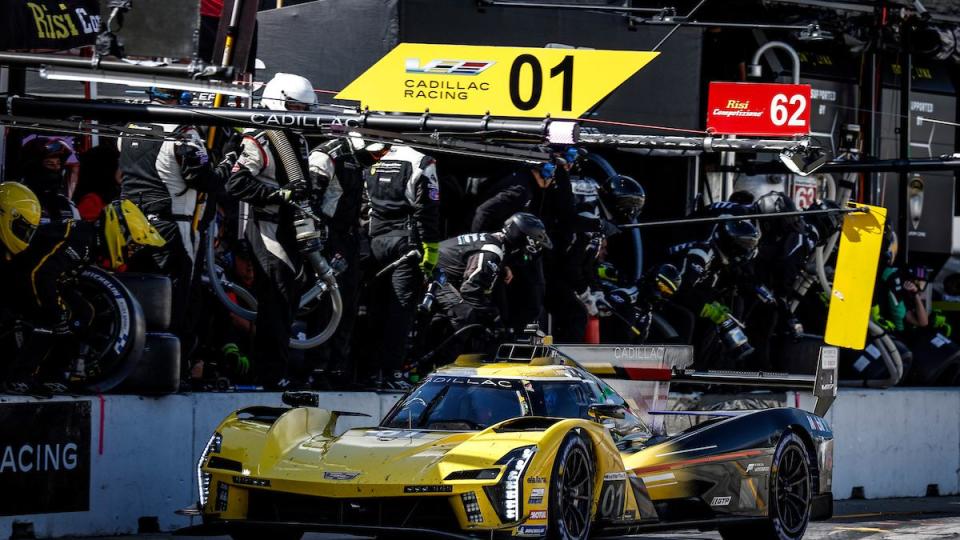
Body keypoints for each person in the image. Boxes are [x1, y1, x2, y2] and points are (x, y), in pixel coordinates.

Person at [118, 86, 240, 345]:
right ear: (180, 99)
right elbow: (210, 181)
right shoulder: (184, 135)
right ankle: (174, 359)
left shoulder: (128, 128)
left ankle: (134, 353)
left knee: (137, 292)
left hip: (129, 223)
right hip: (174, 226)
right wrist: (230, 156)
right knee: (177, 295)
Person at [225, 73, 317, 389]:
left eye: (305, 108)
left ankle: (277, 369)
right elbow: (236, 182)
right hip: (267, 226)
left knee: (290, 298)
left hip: (295, 228)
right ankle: (270, 374)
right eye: (295, 106)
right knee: (275, 298)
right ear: (278, 101)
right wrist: (278, 195)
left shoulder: (300, 140)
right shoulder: (259, 138)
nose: (301, 114)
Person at [307, 135, 390, 388]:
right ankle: (316, 369)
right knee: (326, 305)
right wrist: (317, 242)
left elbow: (362, 206)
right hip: (326, 238)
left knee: (348, 306)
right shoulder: (327, 155)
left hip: (349, 239)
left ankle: (338, 370)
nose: (379, 157)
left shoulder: (360, 160)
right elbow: (308, 201)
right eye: (376, 152)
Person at [364, 144, 441, 388]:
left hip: (374, 240)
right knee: (400, 310)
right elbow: (427, 208)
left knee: (374, 308)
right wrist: (431, 249)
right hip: (406, 242)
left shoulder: (370, 158)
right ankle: (391, 374)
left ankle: (368, 372)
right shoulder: (422, 161)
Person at [435, 212, 552, 351]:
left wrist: (502, 268)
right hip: (430, 272)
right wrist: (494, 319)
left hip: (439, 271)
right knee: (464, 313)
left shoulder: (496, 243)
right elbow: (470, 291)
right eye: (535, 243)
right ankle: (437, 365)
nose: (536, 250)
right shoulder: (492, 251)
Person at [19, 136, 79, 223]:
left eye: (58, 163)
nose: (56, 168)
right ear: (35, 168)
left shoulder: (66, 205)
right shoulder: (19, 200)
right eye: (50, 163)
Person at [73, 144, 121, 222]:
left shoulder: (116, 193)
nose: (122, 170)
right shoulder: (91, 201)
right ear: (106, 169)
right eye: (118, 165)